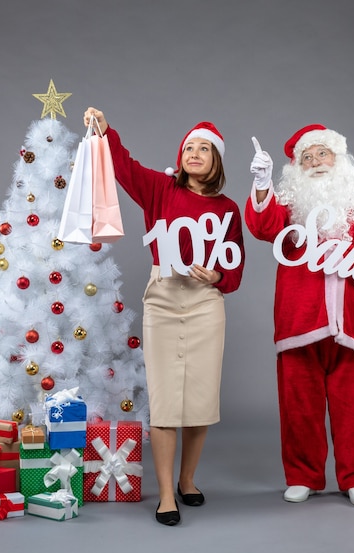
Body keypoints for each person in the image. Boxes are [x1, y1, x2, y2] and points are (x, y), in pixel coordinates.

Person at [84, 107, 245, 525]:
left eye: (204, 148)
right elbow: (125, 167)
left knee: (199, 398)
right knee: (165, 401)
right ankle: (166, 495)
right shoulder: (160, 189)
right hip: (164, 297)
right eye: (189, 146)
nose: (194, 153)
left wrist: (219, 275)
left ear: (216, 161)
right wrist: (106, 130)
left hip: (206, 302)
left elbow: (237, 267)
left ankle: (187, 481)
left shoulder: (228, 208)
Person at [245, 124, 354, 506]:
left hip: (351, 320)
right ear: (297, 167)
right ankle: (303, 475)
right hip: (299, 320)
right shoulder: (290, 204)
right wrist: (263, 185)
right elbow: (262, 226)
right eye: (307, 157)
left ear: (338, 159)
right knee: (299, 406)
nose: (315, 162)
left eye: (322, 154)